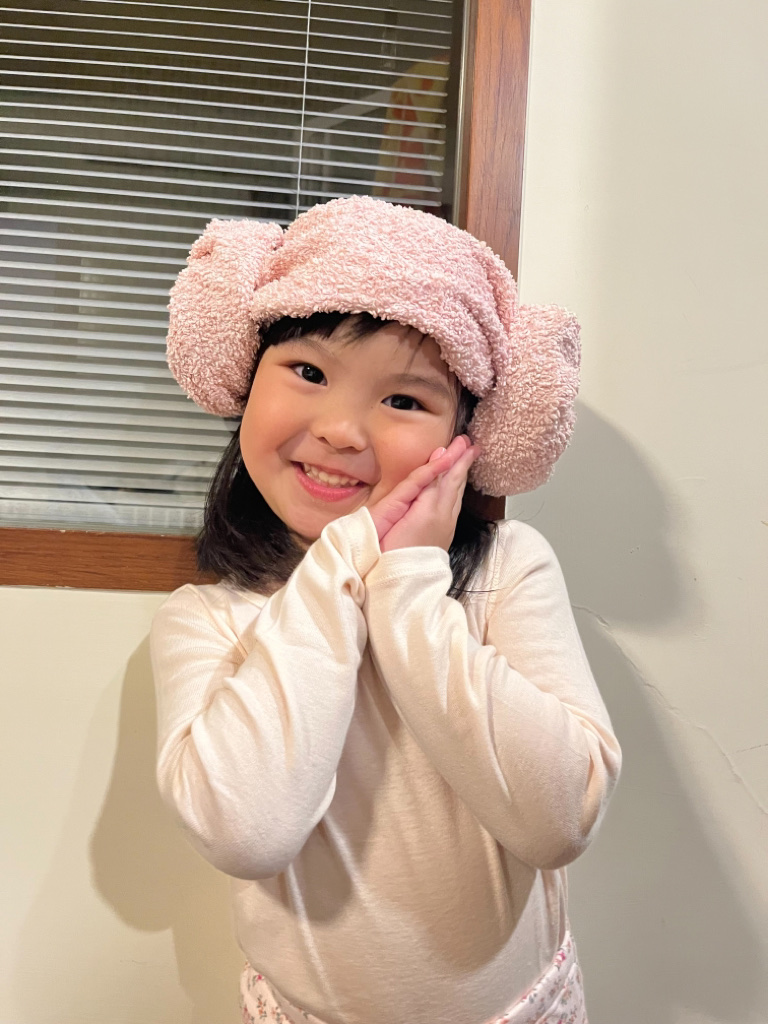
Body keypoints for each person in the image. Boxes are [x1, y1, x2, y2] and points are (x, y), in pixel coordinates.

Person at [150, 195, 622, 1024]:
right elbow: (247, 831)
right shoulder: (207, 620)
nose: (341, 429)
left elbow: (562, 818)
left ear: (467, 440)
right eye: (308, 372)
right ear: (245, 380)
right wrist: (343, 563)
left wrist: (407, 589)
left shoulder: (507, 571)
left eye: (404, 401)